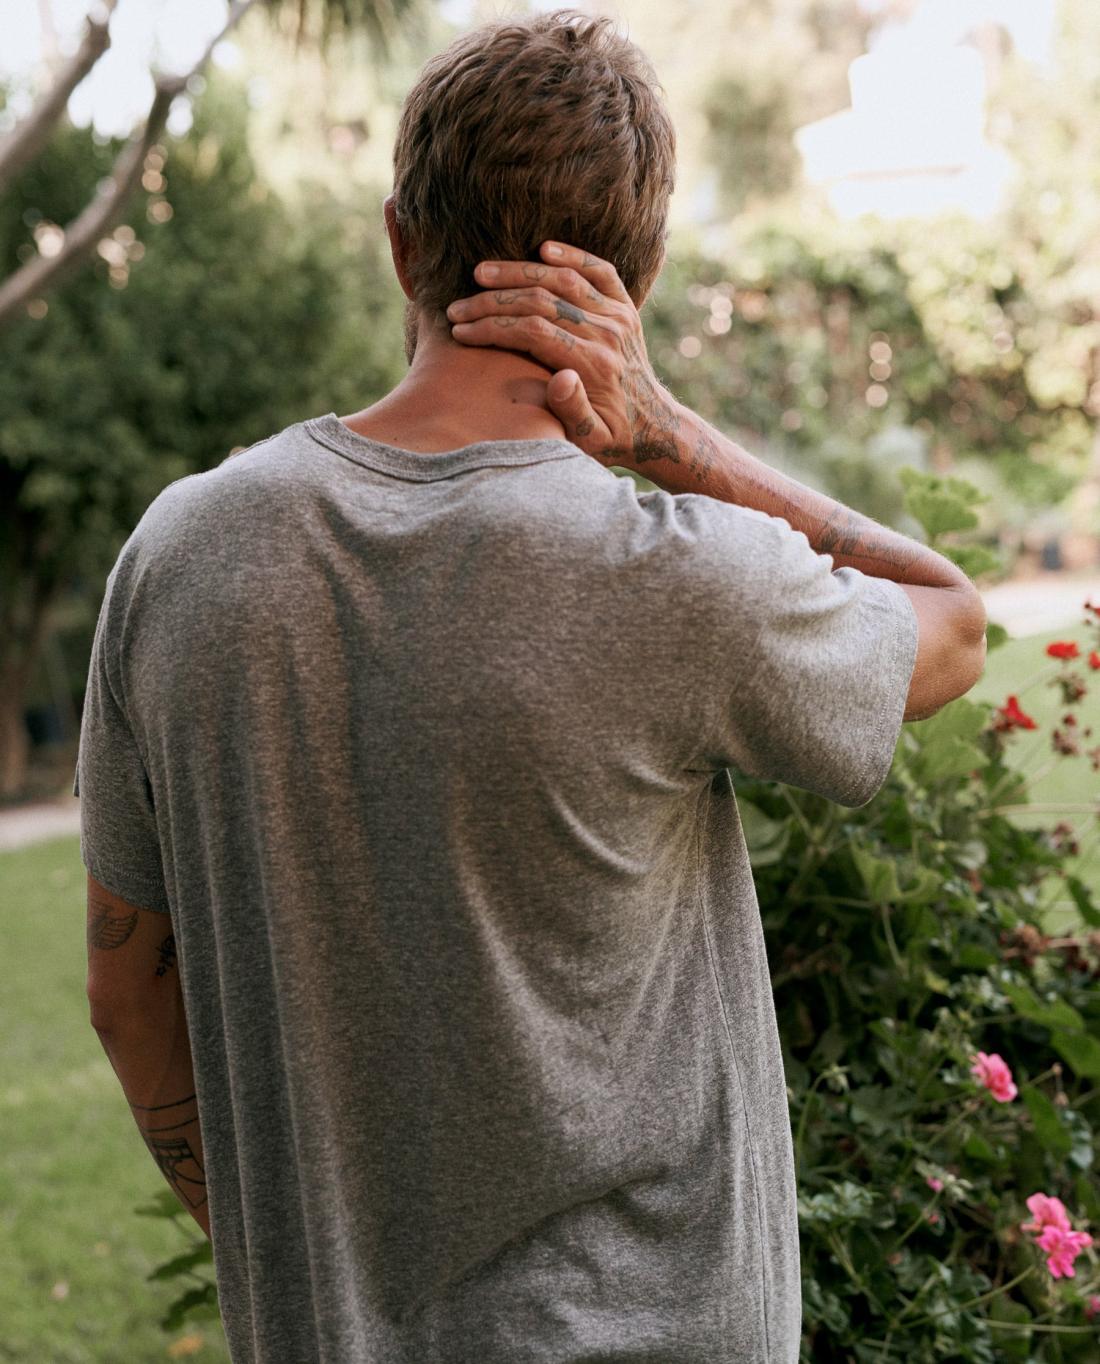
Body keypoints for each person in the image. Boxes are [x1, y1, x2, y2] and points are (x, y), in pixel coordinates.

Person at [75, 10, 987, 1363]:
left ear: (399, 238)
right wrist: (676, 440)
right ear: (644, 276)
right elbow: (954, 623)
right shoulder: (675, 575)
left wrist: (273, 1243)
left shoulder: (183, 555)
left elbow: (126, 987)